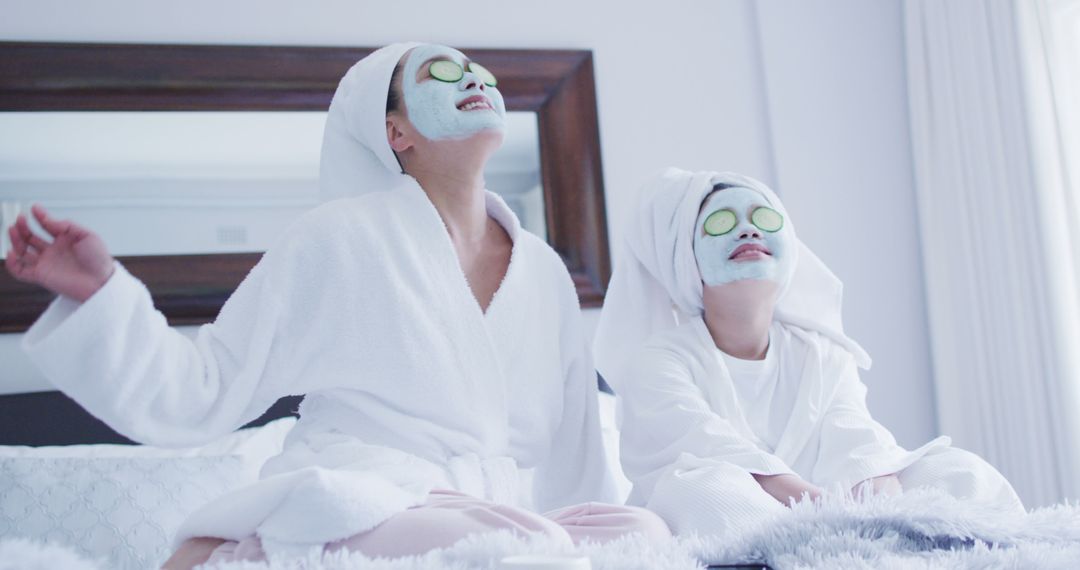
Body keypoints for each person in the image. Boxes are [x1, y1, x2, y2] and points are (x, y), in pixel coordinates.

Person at [5, 43, 669, 569]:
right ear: (395, 131)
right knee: (472, 538)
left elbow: (576, 456)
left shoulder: (545, 273)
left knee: (640, 530)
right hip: (376, 500)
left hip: (500, 515)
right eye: (440, 72)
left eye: (477, 70)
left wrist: (601, 542)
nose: (472, 77)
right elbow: (201, 387)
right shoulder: (341, 238)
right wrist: (100, 292)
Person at [592, 168, 1025, 536]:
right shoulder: (658, 360)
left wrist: (883, 507)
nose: (748, 229)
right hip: (757, 506)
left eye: (762, 217)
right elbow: (708, 446)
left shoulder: (823, 354)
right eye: (721, 222)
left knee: (957, 471)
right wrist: (822, 510)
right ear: (684, 259)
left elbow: (857, 439)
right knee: (706, 488)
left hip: (833, 499)